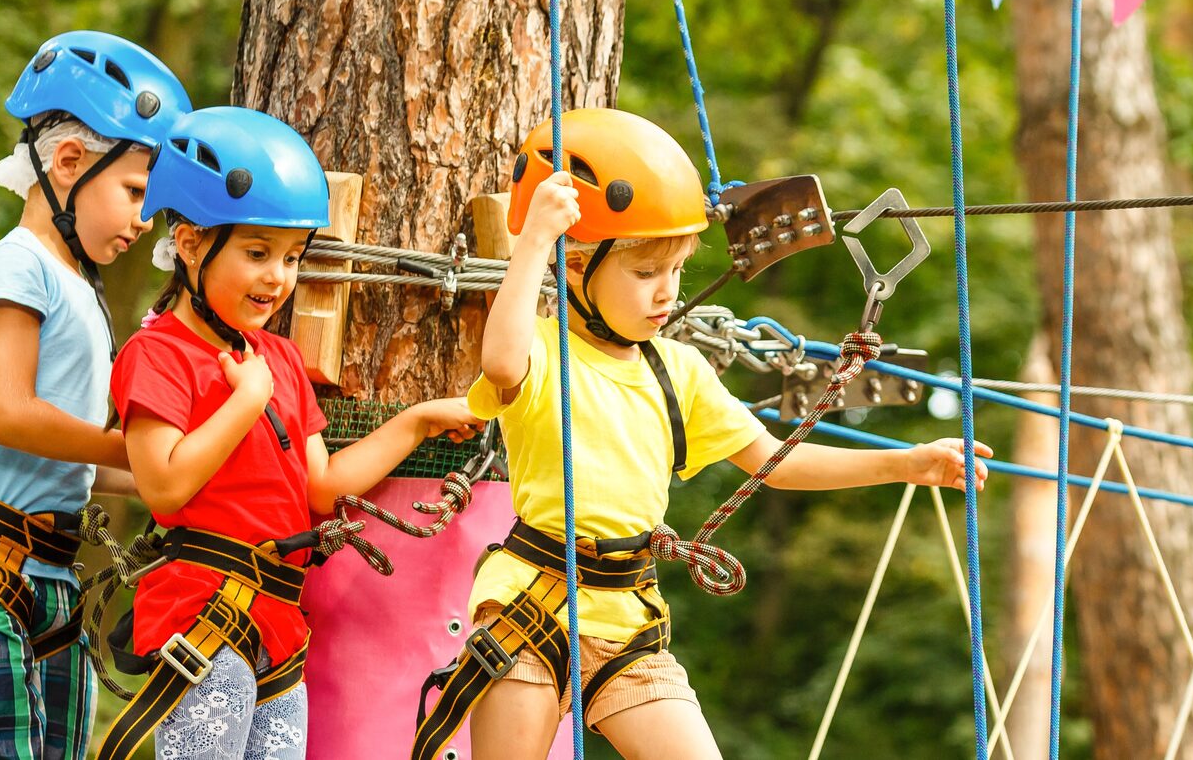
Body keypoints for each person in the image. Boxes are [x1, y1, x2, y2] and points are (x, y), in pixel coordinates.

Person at [414, 107, 993, 760]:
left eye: (678, 270)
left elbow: (774, 462)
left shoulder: (678, 370)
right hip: (529, 607)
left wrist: (908, 462)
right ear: (575, 268)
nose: (667, 293)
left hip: (628, 616)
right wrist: (534, 244)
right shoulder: (542, 354)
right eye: (644, 273)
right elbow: (499, 361)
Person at [98, 106, 483, 760]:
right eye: (256, 253)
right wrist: (245, 402)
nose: (278, 276)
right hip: (200, 611)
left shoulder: (276, 361)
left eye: (292, 257)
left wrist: (414, 422)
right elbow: (163, 487)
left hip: (279, 623)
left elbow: (323, 488)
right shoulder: (157, 354)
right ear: (190, 243)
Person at [0, 30, 189, 760]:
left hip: (48, 572)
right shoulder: (17, 268)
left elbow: (88, 458)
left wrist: (180, 474)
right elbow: (12, 413)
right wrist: (129, 448)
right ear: (69, 163)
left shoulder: (82, 287)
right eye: (136, 191)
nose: (145, 220)